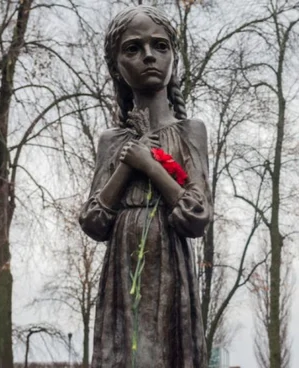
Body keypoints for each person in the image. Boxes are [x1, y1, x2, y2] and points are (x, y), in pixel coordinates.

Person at [78, 5, 211, 367]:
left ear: (173, 58)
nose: (149, 56)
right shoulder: (110, 140)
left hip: (169, 265)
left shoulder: (190, 132)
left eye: (160, 46)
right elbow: (93, 221)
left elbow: (197, 216)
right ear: (116, 66)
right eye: (133, 48)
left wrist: (150, 166)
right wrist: (127, 164)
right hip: (122, 269)